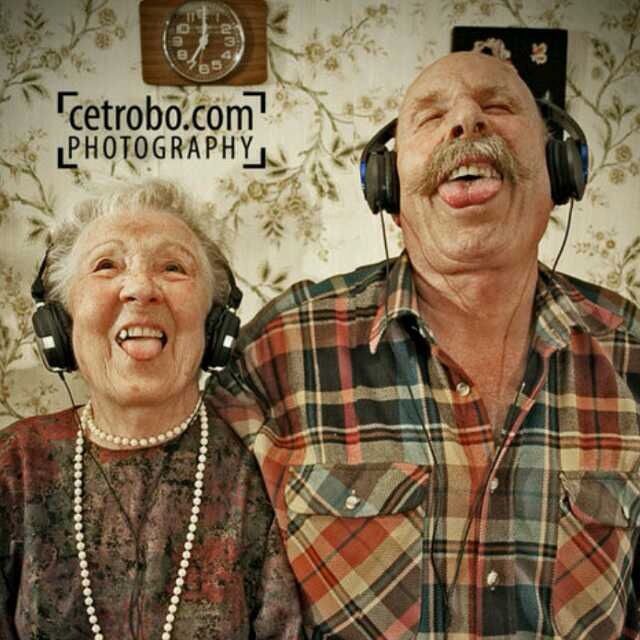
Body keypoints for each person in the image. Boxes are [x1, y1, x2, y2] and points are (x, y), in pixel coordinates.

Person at [212, 51, 640, 639]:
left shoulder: (630, 351)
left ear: (560, 171)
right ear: (387, 187)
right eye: (431, 116)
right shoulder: (281, 349)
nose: (466, 121)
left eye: (498, 105)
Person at [0, 179, 302, 639]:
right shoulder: (15, 462)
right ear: (60, 323)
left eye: (173, 268)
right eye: (106, 265)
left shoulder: (260, 469)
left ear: (216, 325)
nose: (140, 288)